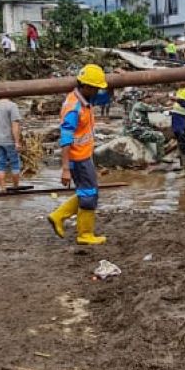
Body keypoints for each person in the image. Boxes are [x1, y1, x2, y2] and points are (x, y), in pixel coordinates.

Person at [47, 64, 112, 245]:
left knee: (88, 192)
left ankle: (58, 215)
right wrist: (66, 168)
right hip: (78, 159)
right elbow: (65, 139)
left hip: (83, 156)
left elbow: (103, 98)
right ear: (87, 87)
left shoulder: (83, 100)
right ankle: (84, 234)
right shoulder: (74, 108)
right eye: (96, 88)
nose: (98, 91)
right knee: (89, 194)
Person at [123, 90, 165, 163]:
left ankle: (157, 155)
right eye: (149, 98)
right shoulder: (140, 105)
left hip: (136, 130)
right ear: (144, 98)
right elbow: (155, 109)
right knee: (160, 136)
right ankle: (160, 158)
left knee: (155, 132)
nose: (151, 99)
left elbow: (144, 122)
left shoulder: (137, 105)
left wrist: (155, 126)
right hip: (136, 132)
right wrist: (171, 108)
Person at [0, 97, 23, 191]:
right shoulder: (12, 106)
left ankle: (3, 189)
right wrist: (17, 142)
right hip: (9, 140)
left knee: (1, 165)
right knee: (15, 164)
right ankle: (15, 187)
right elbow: (15, 126)